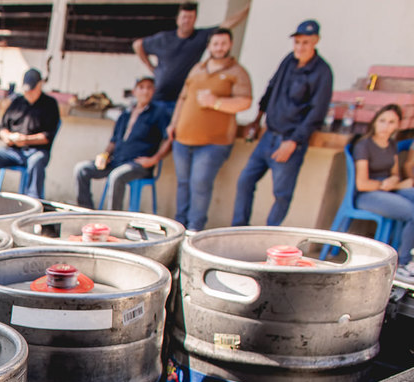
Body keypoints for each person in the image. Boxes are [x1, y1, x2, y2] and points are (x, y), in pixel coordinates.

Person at [231, 20, 333, 227]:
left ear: (316, 41)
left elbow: (317, 112)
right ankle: (238, 228)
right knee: (245, 181)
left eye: (305, 42)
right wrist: (257, 119)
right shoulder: (289, 60)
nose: (300, 47)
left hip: (289, 140)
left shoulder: (322, 72)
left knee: (281, 194)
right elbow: (271, 88)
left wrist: (294, 141)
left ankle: (269, 236)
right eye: (297, 42)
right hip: (269, 134)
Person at [166, 28, 253, 230]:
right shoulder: (198, 68)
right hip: (183, 138)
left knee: (200, 185)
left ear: (230, 45)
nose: (219, 47)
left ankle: (194, 230)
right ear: (209, 46)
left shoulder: (237, 72)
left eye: (223, 43)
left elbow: (245, 102)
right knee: (183, 184)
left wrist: (216, 103)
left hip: (213, 143)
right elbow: (183, 97)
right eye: (215, 43)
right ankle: (179, 228)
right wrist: (174, 123)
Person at [132, 1, 252, 114]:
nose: (187, 21)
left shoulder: (200, 37)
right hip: (159, 97)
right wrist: (151, 68)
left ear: (195, 20)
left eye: (190, 18)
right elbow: (137, 45)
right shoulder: (164, 38)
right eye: (184, 17)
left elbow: (227, 24)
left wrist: (248, 7)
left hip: (182, 99)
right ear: (178, 19)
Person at [74, 76, 171, 210]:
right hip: (116, 160)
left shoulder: (158, 113)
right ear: (134, 91)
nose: (145, 91)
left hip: (138, 164)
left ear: (153, 91)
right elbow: (113, 141)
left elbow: (169, 139)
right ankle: (86, 212)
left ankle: (113, 221)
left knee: (116, 177)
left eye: (149, 88)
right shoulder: (125, 114)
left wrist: (154, 160)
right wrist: (105, 155)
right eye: (141, 88)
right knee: (82, 169)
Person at [351, 105, 414, 276]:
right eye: (382, 121)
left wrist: (394, 181)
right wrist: (384, 185)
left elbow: (394, 174)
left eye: (391, 122)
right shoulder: (364, 145)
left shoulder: (391, 144)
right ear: (375, 122)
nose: (386, 126)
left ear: (398, 125)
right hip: (368, 194)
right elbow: (362, 184)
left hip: (389, 189)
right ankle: (402, 262)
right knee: (412, 213)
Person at [0, 68, 60, 199]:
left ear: (40, 85)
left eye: (31, 90)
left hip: (36, 151)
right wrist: (8, 137)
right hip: (12, 151)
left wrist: (25, 139)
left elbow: (47, 136)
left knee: (36, 162)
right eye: (26, 90)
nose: (28, 93)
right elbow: (1, 128)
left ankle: (34, 201)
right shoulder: (16, 102)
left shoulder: (50, 104)